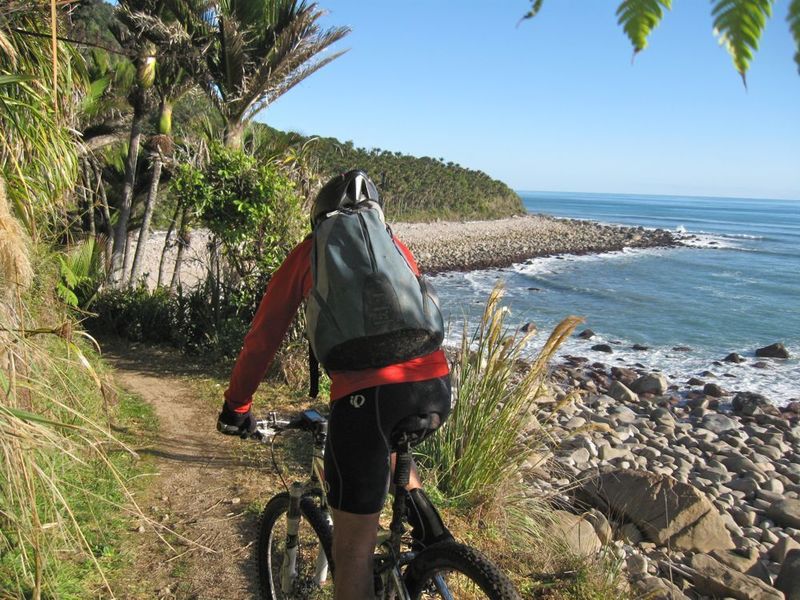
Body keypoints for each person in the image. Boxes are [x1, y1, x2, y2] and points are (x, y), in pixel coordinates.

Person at [217, 170, 453, 600]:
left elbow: (263, 338)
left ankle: (411, 550)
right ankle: (433, 534)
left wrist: (237, 405)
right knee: (393, 442)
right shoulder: (395, 247)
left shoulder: (311, 253)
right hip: (435, 383)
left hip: (367, 399)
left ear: (319, 216)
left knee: (353, 554)